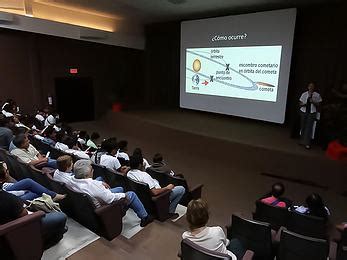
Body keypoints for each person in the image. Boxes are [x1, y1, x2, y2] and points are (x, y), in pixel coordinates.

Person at [63, 159, 153, 227]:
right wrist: (124, 195)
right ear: (86, 175)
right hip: (105, 209)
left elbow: (90, 185)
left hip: (90, 202)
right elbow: (110, 199)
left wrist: (99, 183)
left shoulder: (71, 180)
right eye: (91, 169)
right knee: (131, 195)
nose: (93, 170)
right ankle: (145, 217)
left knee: (120, 188)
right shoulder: (94, 185)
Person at [0, 189, 67, 249]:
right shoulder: (6, 197)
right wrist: (38, 213)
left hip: (6, 231)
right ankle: (53, 239)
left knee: (34, 191)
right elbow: (25, 215)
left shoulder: (8, 197)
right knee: (61, 216)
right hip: (19, 227)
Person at [0, 161, 65, 201]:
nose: (8, 171)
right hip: (9, 200)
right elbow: (11, 195)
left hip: (6, 191)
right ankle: (53, 196)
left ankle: (53, 195)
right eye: (6, 171)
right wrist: (25, 191)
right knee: (35, 191)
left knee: (29, 184)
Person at [299, 82, 322, 149]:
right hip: (304, 111)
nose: (311, 87)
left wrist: (313, 102)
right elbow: (300, 103)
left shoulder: (317, 95)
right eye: (310, 86)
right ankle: (302, 141)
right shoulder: (304, 94)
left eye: (312, 86)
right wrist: (304, 104)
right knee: (303, 126)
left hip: (312, 113)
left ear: (314, 88)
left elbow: (319, 104)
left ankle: (307, 143)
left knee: (309, 128)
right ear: (308, 87)